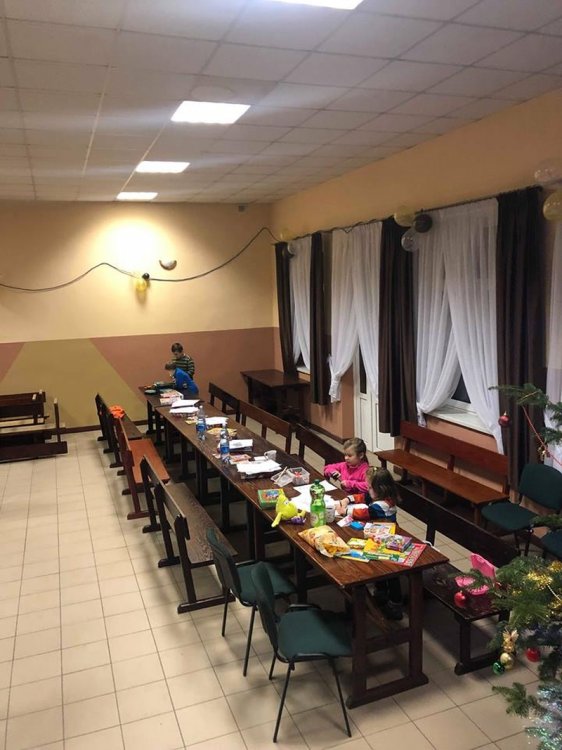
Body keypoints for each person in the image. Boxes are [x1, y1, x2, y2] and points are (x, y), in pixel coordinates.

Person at [337, 467, 404, 620]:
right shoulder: (379, 496)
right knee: (381, 569)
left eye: (369, 487)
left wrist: (344, 511)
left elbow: (364, 513)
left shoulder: (383, 505)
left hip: (389, 542)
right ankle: (381, 593)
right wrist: (348, 499)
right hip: (378, 538)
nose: (367, 490)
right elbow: (364, 496)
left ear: (380, 489)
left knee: (391, 574)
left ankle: (395, 605)